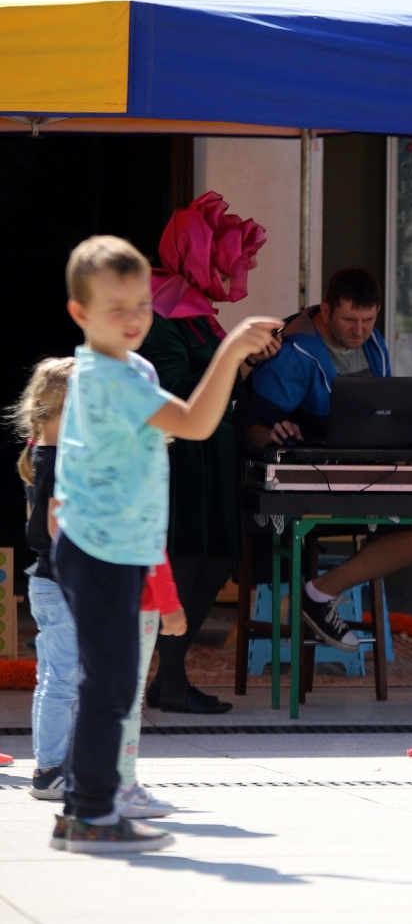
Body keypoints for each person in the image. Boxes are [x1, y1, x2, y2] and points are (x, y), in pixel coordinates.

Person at [49, 234, 277, 853]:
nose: (133, 319)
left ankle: (83, 809)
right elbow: (198, 423)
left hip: (109, 548)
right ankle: (92, 812)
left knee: (114, 682)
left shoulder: (119, 372)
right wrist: (230, 349)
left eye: (142, 306)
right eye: (115, 308)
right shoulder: (112, 380)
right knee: (112, 684)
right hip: (101, 552)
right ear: (80, 314)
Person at [241, 267, 412, 700]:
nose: (359, 331)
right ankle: (319, 593)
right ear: (325, 310)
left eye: (368, 322)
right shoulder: (296, 350)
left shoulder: (374, 342)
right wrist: (271, 435)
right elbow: (249, 420)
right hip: (317, 485)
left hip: (372, 473)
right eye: (349, 321)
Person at [140, 191, 277, 715]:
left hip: (214, 456)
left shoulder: (200, 314)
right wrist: (235, 362)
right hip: (182, 458)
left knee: (218, 560)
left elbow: (224, 384)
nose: (235, 267)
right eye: (223, 255)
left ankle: (169, 677)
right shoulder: (161, 311)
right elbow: (172, 388)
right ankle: (167, 681)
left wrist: (248, 362)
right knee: (186, 562)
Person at [9, 358, 74, 799]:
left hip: (47, 581)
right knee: (64, 679)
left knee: (55, 675)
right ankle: (50, 770)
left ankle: (52, 764)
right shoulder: (57, 460)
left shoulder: (39, 452)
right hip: (63, 581)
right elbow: (52, 528)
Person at [114, 560, 184, 819]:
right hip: (138, 601)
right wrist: (170, 604)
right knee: (128, 699)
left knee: (95, 695)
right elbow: (153, 545)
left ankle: (93, 787)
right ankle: (124, 786)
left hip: (93, 596)